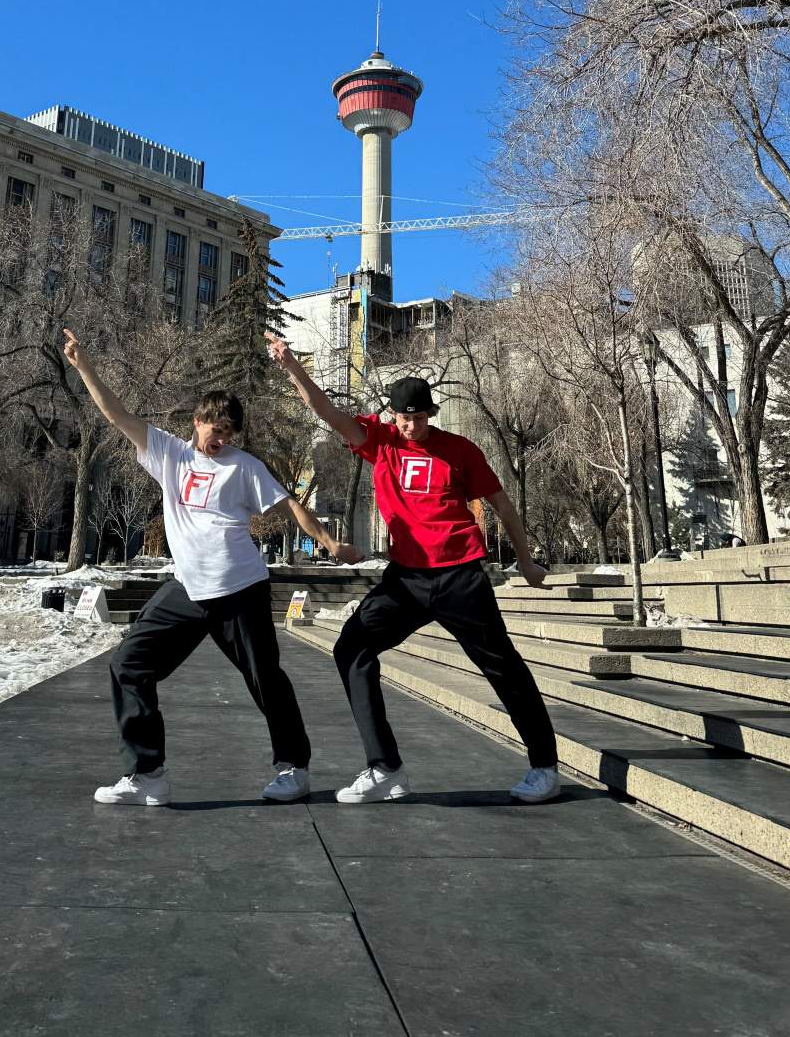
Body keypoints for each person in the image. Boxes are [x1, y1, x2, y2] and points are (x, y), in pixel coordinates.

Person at [62, 327, 362, 807]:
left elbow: (289, 507)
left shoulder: (245, 466)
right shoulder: (168, 453)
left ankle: (294, 768)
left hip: (240, 588)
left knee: (265, 678)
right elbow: (116, 414)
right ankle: (147, 774)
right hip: (187, 589)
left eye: (228, 433)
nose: (220, 439)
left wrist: (328, 541)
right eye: (214, 429)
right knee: (128, 665)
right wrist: (84, 367)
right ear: (197, 422)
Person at [267, 333, 561, 805]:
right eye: (404, 418)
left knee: (501, 666)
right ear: (393, 416)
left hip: (460, 574)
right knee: (352, 649)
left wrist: (524, 560)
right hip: (406, 578)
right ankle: (385, 768)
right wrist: (293, 369)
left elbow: (502, 505)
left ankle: (544, 766)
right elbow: (327, 412)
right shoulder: (378, 441)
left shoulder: (460, 450)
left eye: (420, 418)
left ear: (431, 414)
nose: (411, 426)